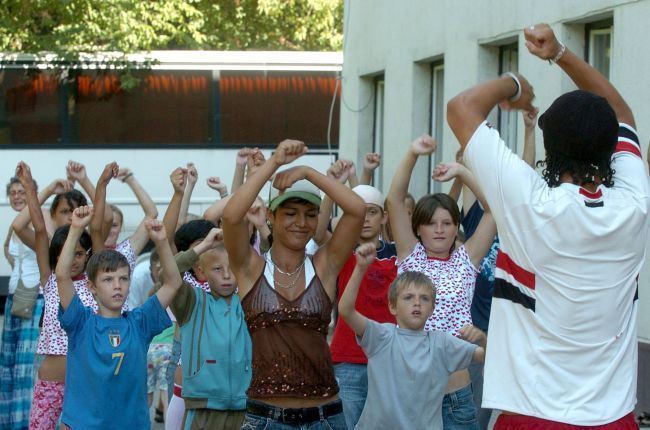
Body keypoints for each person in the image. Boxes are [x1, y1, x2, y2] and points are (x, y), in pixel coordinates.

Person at [446, 23, 648, 429]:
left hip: (532, 415)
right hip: (613, 418)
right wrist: (561, 54)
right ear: (612, 150)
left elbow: (460, 108)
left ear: (551, 152)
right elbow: (623, 114)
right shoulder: (634, 204)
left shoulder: (530, 202)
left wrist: (514, 84)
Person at [223, 139, 365, 429]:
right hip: (266, 418)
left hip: (326, 417)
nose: (301, 222)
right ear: (272, 217)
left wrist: (307, 172)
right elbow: (231, 215)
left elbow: (357, 210)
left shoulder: (324, 265)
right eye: (290, 213)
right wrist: (275, 163)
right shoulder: (250, 268)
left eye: (310, 215)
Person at [387, 137, 496, 430]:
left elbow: (493, 209)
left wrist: (462, 172)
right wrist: (411, 154)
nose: (439, 230)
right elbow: (395, 201)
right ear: (418, 228)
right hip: (412, 393)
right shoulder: (411, 255)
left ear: (455, 227)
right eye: (431, 223)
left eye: (447, 223)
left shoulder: (466, 259)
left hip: (458, 393)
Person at [56, 208, 180, 429]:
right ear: (91, 287)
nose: (117, 285)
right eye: (108, 279)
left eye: (123, 278)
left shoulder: (140, 322)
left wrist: (161, 242)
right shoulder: (80, 323)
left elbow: (172, 283)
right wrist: (75, 229)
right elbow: (62, 275)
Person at [338, 243, 485, 430]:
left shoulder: (441, 342)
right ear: (392, 307)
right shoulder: (382, 336)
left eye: (424, 298)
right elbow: (345, 310)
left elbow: (483, 355)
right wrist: (360, 268)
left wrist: (482, 339)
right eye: (408, 297)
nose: (417, 303)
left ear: (432, 309)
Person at [326, 184, 398, 429]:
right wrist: (331, 185)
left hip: (390, 360)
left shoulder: (399, 254)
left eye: (372, 212)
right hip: (348, 358)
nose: (365, 219)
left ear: (384, 217)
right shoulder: (341, 250)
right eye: (359, 212)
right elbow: (319, 233)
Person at [170, 227, 251, 430]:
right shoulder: (192, 302)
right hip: (203, 407)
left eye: (231, 268)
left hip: (247, 406)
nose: (226, 275)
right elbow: (168, 275)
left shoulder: (250, 303)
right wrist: (204, 246)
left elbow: (270, 273)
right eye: (217, 269)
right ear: (200, 271)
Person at [0, 177, 43, 430]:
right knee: (11, 364)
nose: (16, 197)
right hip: (17, 295)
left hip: (33, 295)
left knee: (26, 366)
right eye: (12, 193)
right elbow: (8, 247)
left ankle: (27, 423)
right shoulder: (15, 226)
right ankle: (10, 422)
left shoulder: (39, 217)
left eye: (21, 192)